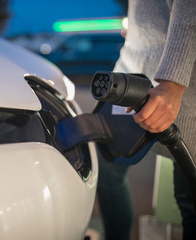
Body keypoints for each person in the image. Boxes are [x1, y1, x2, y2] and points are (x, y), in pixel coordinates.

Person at [97, 0, 196, 239]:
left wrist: (172, 83)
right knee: (107, 169)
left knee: (189, 200)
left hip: (179, 89)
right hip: (131, 71)